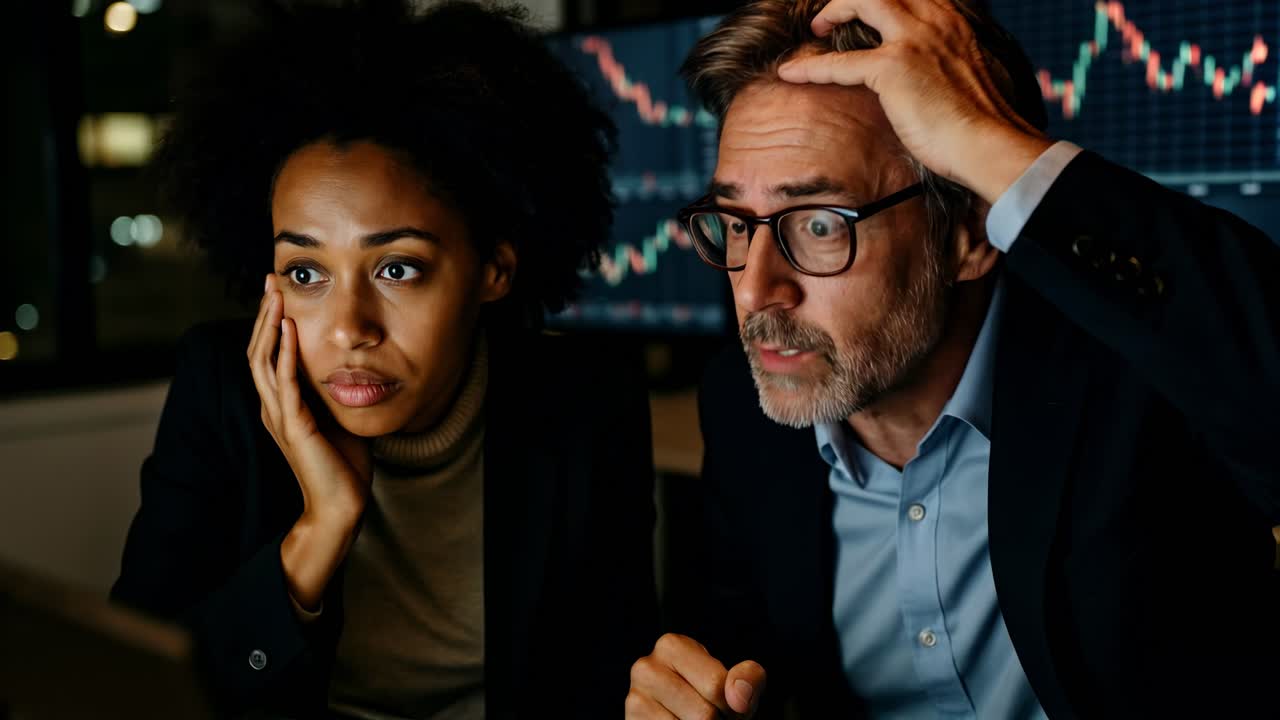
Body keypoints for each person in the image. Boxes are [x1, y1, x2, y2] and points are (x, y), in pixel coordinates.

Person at [627, 0, 1280, 718]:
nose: (754, 289)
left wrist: (995, 150)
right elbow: (747, 659)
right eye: (734, 223)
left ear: (970, 236)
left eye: (818, 224)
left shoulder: (1136, 376)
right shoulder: (743, 406)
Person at [110, 2, 657, 717]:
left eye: (398, 269)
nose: (348, 329)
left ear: (493, 268)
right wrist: (320, 529)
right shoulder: (224, 392)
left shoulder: (583, 403)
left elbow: (606, 683)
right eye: (306, 274)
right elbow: (140, 691)